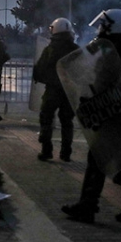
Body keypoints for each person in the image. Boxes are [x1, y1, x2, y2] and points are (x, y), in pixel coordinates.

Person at [61, 9, 121, 224]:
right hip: (117, 119)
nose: (99, 31)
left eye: (102, 27)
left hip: (118, 120)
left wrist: (100, 101)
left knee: (101, 161)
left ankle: (88, 206)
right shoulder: (117, 54)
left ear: (112, 29)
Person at [33, 17, 79, 162]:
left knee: (46, 119)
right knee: (67, 122)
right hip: (70, 91)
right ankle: (66, 153)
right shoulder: (75, 49)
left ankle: (46, 151)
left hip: (52, 90)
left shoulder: (50, 49)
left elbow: (40, 69)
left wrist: (44, 79)